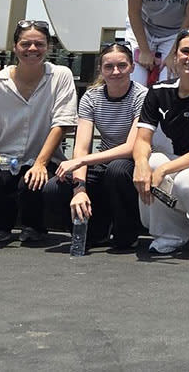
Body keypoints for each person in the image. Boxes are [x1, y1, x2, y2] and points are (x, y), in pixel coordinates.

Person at [0, 20, 77, 243]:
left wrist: (40, 163)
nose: (32, 49)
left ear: (49, 47)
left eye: (39, 44)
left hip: (44, 161)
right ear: (15, 46)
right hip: (3, 160)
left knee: (33, 181)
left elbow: (62, 124)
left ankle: (34, 226)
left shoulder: (61, 76)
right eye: (26, 44)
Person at [131, 29, 189, 254]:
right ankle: (171, 234)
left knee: (187, 180)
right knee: (151, 161)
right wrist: (142, 165)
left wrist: (163, 170)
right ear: (175, 55)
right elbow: (142, 139)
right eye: (185, 51)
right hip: (176, 160)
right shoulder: (157, 92)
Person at [52, 43, 148, 250]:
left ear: (132, 67)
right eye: (109, 66)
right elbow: (81, 147)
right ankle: (92, 231)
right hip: (102, 159)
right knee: (57, 184)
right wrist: (79, 188)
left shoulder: (141, 96)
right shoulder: (91, 97)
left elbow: (131, 147)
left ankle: (127, 233)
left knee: (118, 169)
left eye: (122, 66)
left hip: (131, 161)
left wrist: (80, 161)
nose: (115, 72)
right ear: (101, 69)